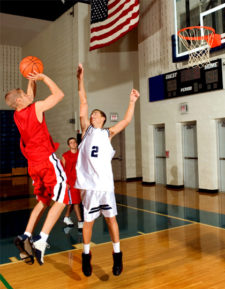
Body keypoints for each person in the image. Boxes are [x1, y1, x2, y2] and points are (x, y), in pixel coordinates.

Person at [75, 64, 140, 277]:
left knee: (111, 219)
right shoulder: (86, 131)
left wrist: (131, 101)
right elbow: (83, 101)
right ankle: (86, 256)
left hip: (105, 186)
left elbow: (126, 120)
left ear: (102, 119)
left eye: (96, 114)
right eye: (91, 114)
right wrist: (80, 79)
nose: (92, 116)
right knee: (88, 222)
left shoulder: (107, 133)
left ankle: (117, 254)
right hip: (89, 187)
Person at [4, 72, 68, 265]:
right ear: (20, 99)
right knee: (64, 197)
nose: (27, 94)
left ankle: (25, 235)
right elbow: (59, 95)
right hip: (46, 161)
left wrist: (31, 79)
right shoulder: (36, 108)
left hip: (33, 165)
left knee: (43, 200)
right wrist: (44, 78)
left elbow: (28, 98)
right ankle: (42, 239)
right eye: (23, 93)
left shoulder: (17, 115)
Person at [61, 137, 83, 231]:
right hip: (70, 182)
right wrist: (65, 182)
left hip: (79, 182)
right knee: (76, 202)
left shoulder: (81, 154)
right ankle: (80, 221)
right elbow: (62, 170)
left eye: (74, 142)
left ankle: (66, 217)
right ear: (68, 145)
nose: (73, 144)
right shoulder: (65, 155)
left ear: (77, 144)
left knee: (73, 202)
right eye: (71, 142)